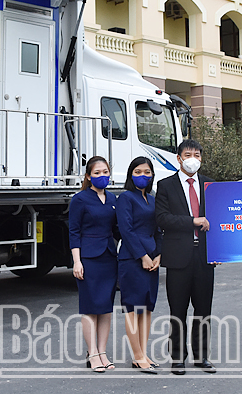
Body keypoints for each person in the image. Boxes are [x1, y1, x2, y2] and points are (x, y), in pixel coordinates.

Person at [155, 139, 217, 375]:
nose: (193, 159)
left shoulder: (210, 185)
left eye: (197, 155)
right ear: (179, 158)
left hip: (204, 257)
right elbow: (162, 218)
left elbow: (220, 219)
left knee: (203, 309)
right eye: (188, 154)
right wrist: (192, 221)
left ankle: (202, 357)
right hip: (178, 257)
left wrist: (219, 250)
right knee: (178, 310)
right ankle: (177, 358)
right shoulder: (166, 186)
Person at [69, 156, 118, 372]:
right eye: (97, 173)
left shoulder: (113, 198)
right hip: (88, 258)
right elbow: (74, 232)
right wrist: (76, 261)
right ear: (88, 176)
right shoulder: (79, 199)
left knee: (106, 308)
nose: (102, 176)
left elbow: (118, 228)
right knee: (90, 307)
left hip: (109, 257)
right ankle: (92, 354)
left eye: (105, 172)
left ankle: (103, 352)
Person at [116, 157, 162, 374]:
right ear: (130, 174)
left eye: (147, 172)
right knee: (133, 308)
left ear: (152, 175)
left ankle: (144, 353)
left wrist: (159, 254)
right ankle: (137, 356)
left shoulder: (152, 199)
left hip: (152, 258)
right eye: (138, 172)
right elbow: (126, 230)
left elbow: (159, 230)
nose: (143, 175)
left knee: (147, 307)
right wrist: (142, 256)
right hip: (132, 258)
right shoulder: (125, 198)